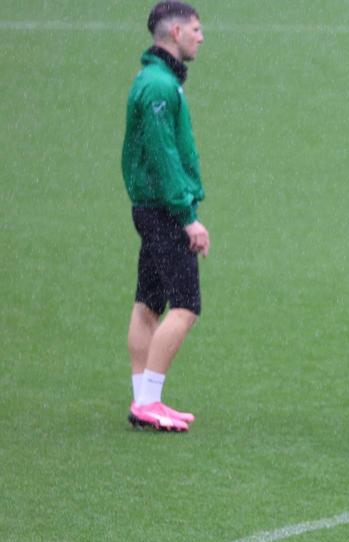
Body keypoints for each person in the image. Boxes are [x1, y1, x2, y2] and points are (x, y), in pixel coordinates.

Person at [121, 1, 209, 433]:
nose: (201, 37)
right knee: (186, 306)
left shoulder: (154, 80)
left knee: (149, 304)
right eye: (195, 29)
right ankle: (149, 402)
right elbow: (163, 154)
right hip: (164, 210)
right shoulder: (159, 86)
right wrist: (187, 215)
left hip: (150, 206)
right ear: (175, 32)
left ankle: (143, 399)